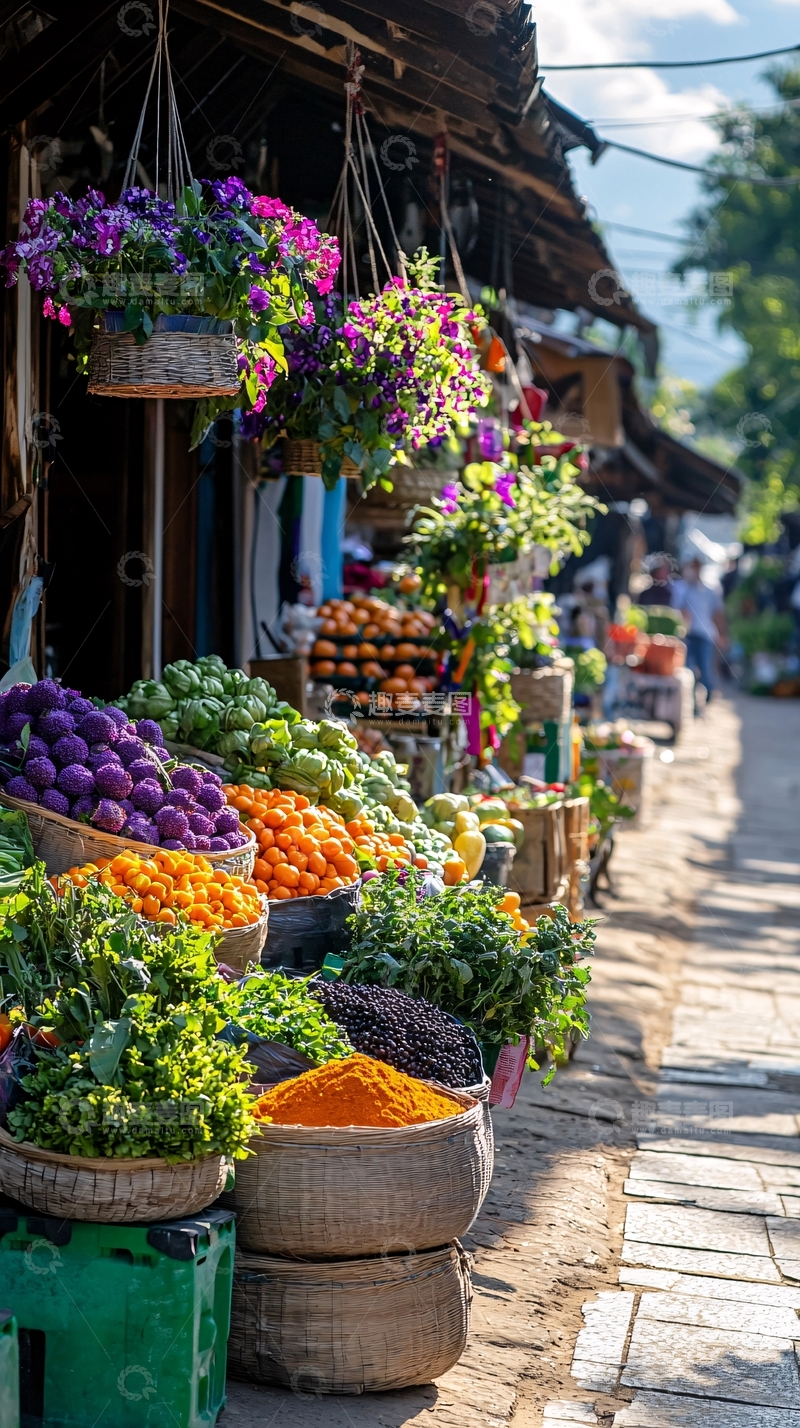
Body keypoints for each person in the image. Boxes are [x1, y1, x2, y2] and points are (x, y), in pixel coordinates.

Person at [672, 559, 727, 703]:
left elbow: (718, 614)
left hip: (705, 634)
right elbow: (678, 610)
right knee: (688, 667)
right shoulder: (683, 589)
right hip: (688, 634)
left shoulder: (711, 590)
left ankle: (707, 696)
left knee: (705, 668)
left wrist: (722, 635)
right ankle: (691, 702)